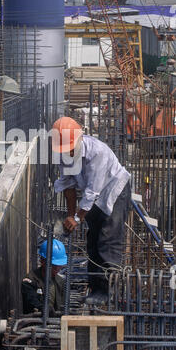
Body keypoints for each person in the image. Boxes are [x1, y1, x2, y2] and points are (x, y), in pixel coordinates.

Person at [52, 116, 131, 306]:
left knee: (108, 238)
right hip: (93, 197)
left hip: (114, 190)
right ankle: (95, 287)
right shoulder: (63, 153)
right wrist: (70, 215)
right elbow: (68, 186)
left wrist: (77, 219)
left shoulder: (98, 152)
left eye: (70, 148)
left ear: (79, 139)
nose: (68, 153)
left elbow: (92, 191)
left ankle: (107, 291)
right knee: (93, 240)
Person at [21, 239, 67, 316]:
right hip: (35, 324)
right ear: (42, 261)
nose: (57, 269)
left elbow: (63, 305)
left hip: (56, 323)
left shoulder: (60, 281)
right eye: (54, 266)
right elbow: (31, 301)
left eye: (59, 266)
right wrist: (43, 308)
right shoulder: (29, 281)